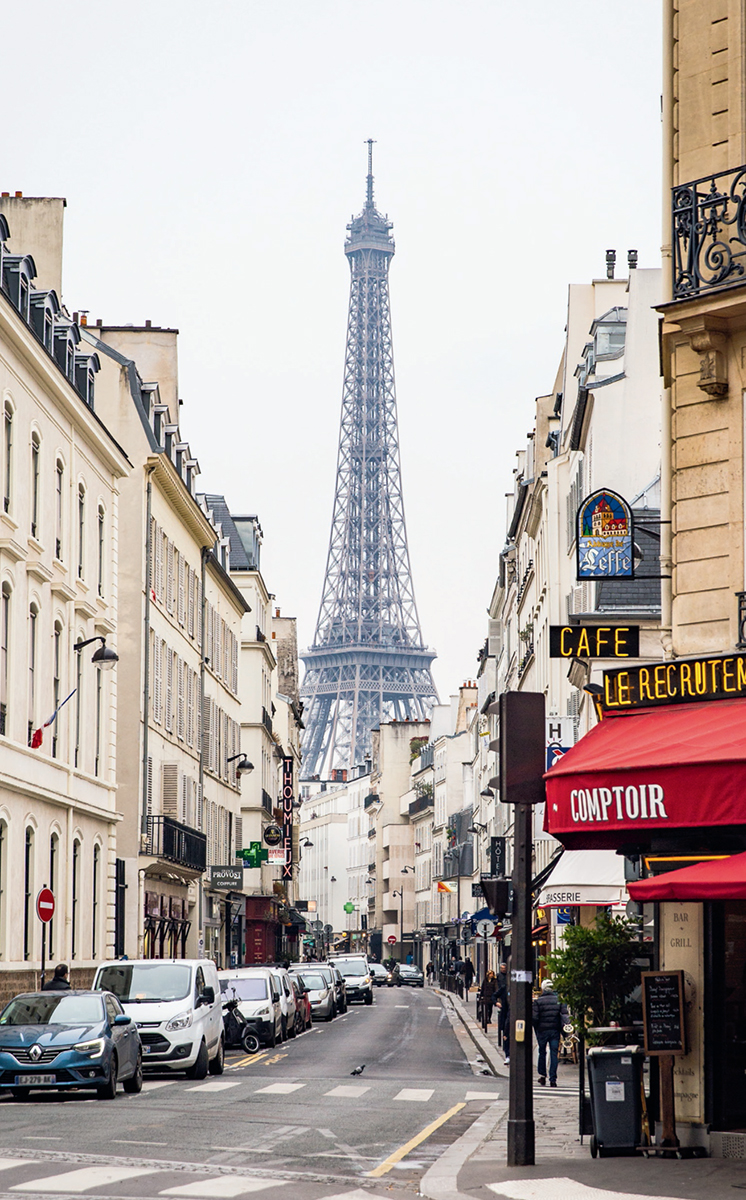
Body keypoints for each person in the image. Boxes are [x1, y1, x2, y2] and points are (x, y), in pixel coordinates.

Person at [532, 978, 569, 1087]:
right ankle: (553, 1078)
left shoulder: (538, 1002)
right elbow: (564, 1015)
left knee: (542, 1052)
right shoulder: (559, 1001)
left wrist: (537, 1028)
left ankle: (542, 1075)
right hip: (555, 1030)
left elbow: (534, 1018)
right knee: (554, 1054)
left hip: (542, 1031)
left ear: (543, 989)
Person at [495, 962, 510, 1054]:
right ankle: (506, 1049)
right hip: (502, 997)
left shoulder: (508, 976)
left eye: (504, 968)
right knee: (505, 1026)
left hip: (506, 998)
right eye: (502, 968)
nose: (503, 969)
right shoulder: (498, 976)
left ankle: (507, 1049)